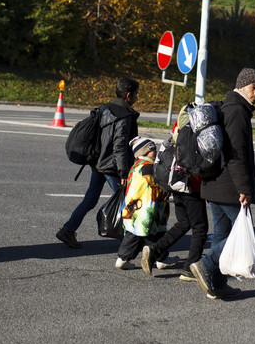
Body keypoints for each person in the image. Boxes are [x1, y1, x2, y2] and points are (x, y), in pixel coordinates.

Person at [189, 68, 255, 300]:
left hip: (214, 184)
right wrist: (244, 188)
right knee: (238, 235)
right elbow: (236, 154)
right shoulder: (237, 111)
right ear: (242, 86)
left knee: (222, 235)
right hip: (229, 186)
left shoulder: (225, 107)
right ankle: (206, 265)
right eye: (254, 87)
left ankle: (216, 284)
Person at [56, 77, 140, 248]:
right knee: (127, 201)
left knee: (90, 199)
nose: (137, 98)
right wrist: (124, 172)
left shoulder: (105, 108)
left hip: (98, 163)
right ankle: (128, 242)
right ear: (129, 95)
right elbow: (119, 146)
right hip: (112, 167)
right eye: (136, 94)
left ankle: (68, 230)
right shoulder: (124, 116)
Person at [140, 136, 209, 281]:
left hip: (175, 180)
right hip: (191, 184)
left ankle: (154, 249)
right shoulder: (198, 127)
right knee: (200, 227)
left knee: (183, 222)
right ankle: (189, 269)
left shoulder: (180, 125)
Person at [115, 136, 176, 270]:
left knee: (136, 234)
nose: (155, 152)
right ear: (142, 152)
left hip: (136, 206)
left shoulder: (136, 165)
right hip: (149, 207)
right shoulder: (148, 167)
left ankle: (123, 258)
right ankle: (160, 258)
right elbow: (155, 184)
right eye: (152, 150)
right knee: (152, 234)